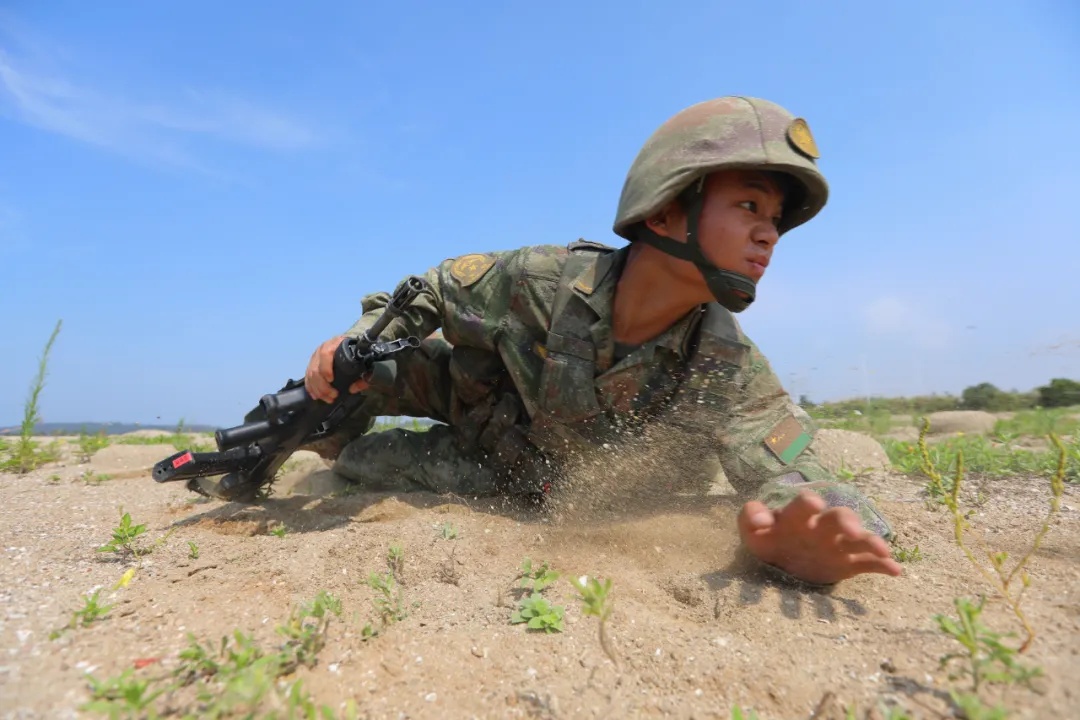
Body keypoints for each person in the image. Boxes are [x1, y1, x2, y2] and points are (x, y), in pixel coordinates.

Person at [197, 96, 902, 587]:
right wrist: (347, 347)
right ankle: (290, 438)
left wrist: (812, 541)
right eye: (749, 205)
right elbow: (429, 294)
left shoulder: (726, 366)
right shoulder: (544, 281)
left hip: (510, 482)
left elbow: (798, 479)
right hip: (475, 401)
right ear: (664, 208)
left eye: (777, 220)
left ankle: (342, 451)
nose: (768, 235)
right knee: (361, 374)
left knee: (361, 464)